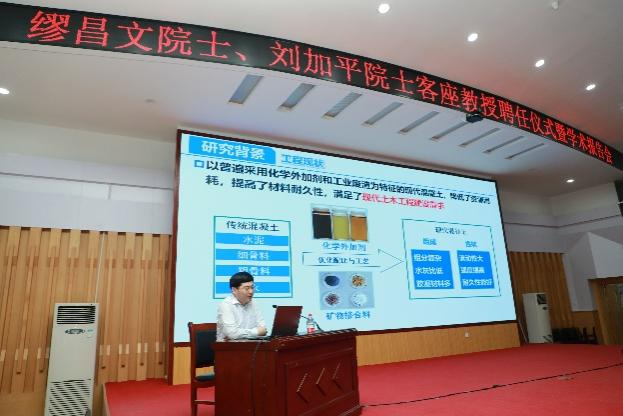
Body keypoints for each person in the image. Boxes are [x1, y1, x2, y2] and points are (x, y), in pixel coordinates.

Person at [216, 271, 267, 341]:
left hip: (251, 344)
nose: (251, 291)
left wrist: (240, 333)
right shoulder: (226, 305)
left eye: (252, 287)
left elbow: (263, 329)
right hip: (228, 346)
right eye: (247, 288)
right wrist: (256, 332)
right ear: (234, 290)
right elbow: (232, 334)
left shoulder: (253, 303)